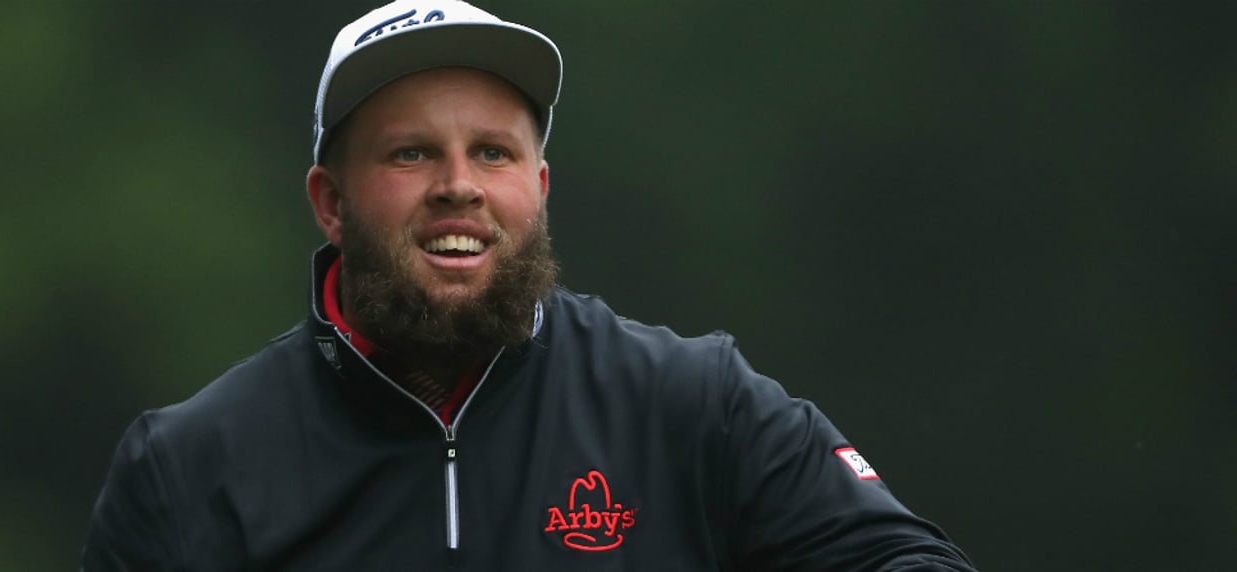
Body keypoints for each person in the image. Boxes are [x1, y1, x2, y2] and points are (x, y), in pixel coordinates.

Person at [83, 0, 976, 569]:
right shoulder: (190, 470)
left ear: (538, 191)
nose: (458, 184)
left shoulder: (692, 404)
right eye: (410, 152)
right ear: (331, 202)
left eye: (494, 152)